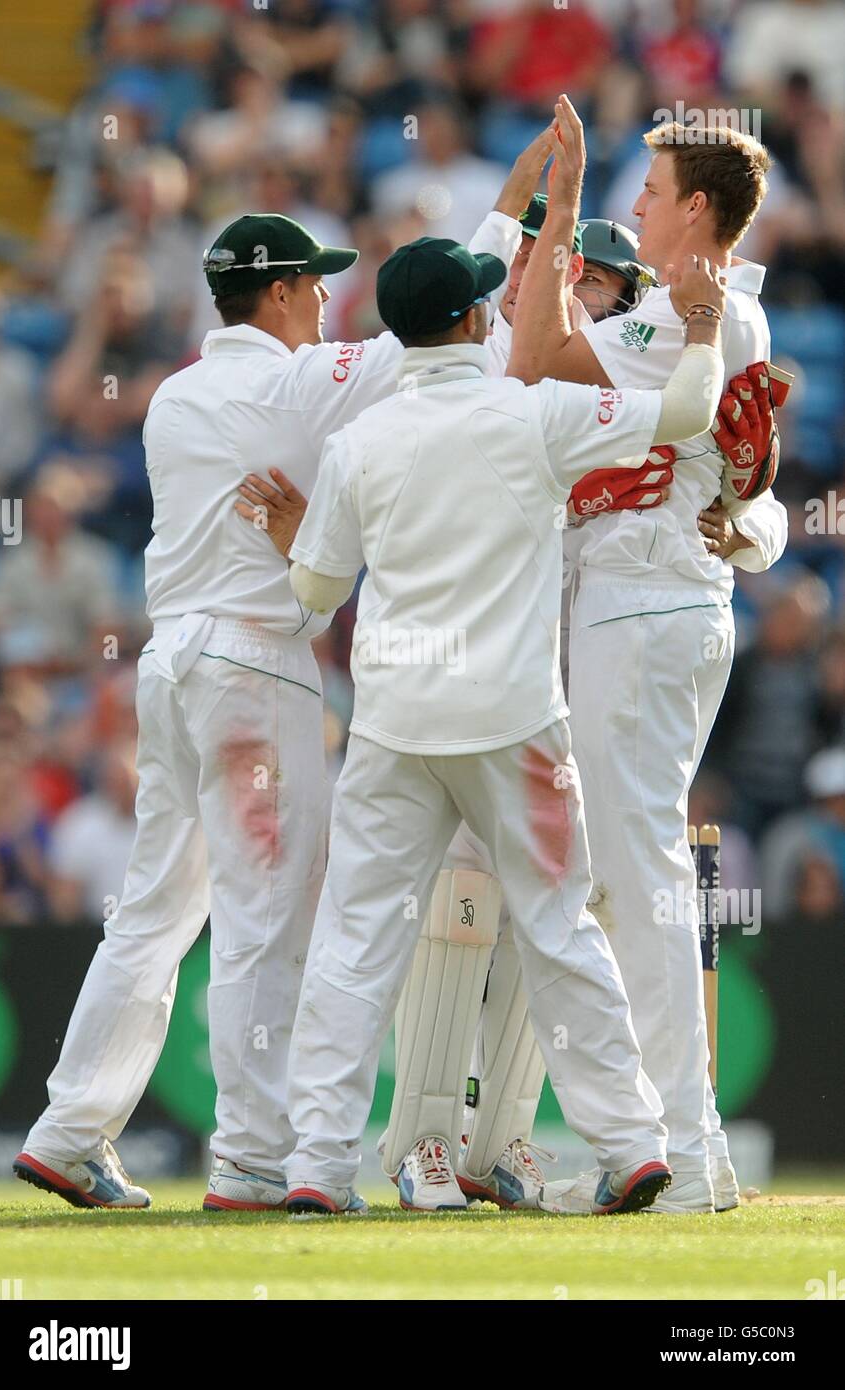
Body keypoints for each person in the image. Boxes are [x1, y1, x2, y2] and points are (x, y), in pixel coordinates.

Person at [12, 134, 551, 1211]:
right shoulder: (306, 385)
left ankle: (69, 1131)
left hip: (169, 670)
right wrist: (506, 218)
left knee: (154, 913)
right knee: (270, 918)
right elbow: (435, 332)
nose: (323, 302)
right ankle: (255, 1159)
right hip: (256, 672)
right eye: (313, 284)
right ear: (283, 293)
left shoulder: (171, 396)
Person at [279, 95, 731, 1218]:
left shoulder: (361, 440)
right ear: (477, 322)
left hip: (391, 724)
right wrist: (708, 327)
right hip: (516, 720)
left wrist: (309, 543)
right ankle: (630, 1145)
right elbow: (680, 413)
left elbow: (313, 595)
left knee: (353, 944)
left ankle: (311, 1167)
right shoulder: (525, 414)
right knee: (562, 929)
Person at [381, 117, 789, 1215]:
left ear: (694, 209)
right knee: (576, 880)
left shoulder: (693, 315)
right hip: (567, 629)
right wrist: (747, 515)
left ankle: (676, 1153)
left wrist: (747, 518)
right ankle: (508, 1141)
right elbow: (733, 471)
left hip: (623, 616)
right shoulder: (684, 316)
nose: (643, 205)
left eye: (652, 192)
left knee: (624, 876)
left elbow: (543, 362)